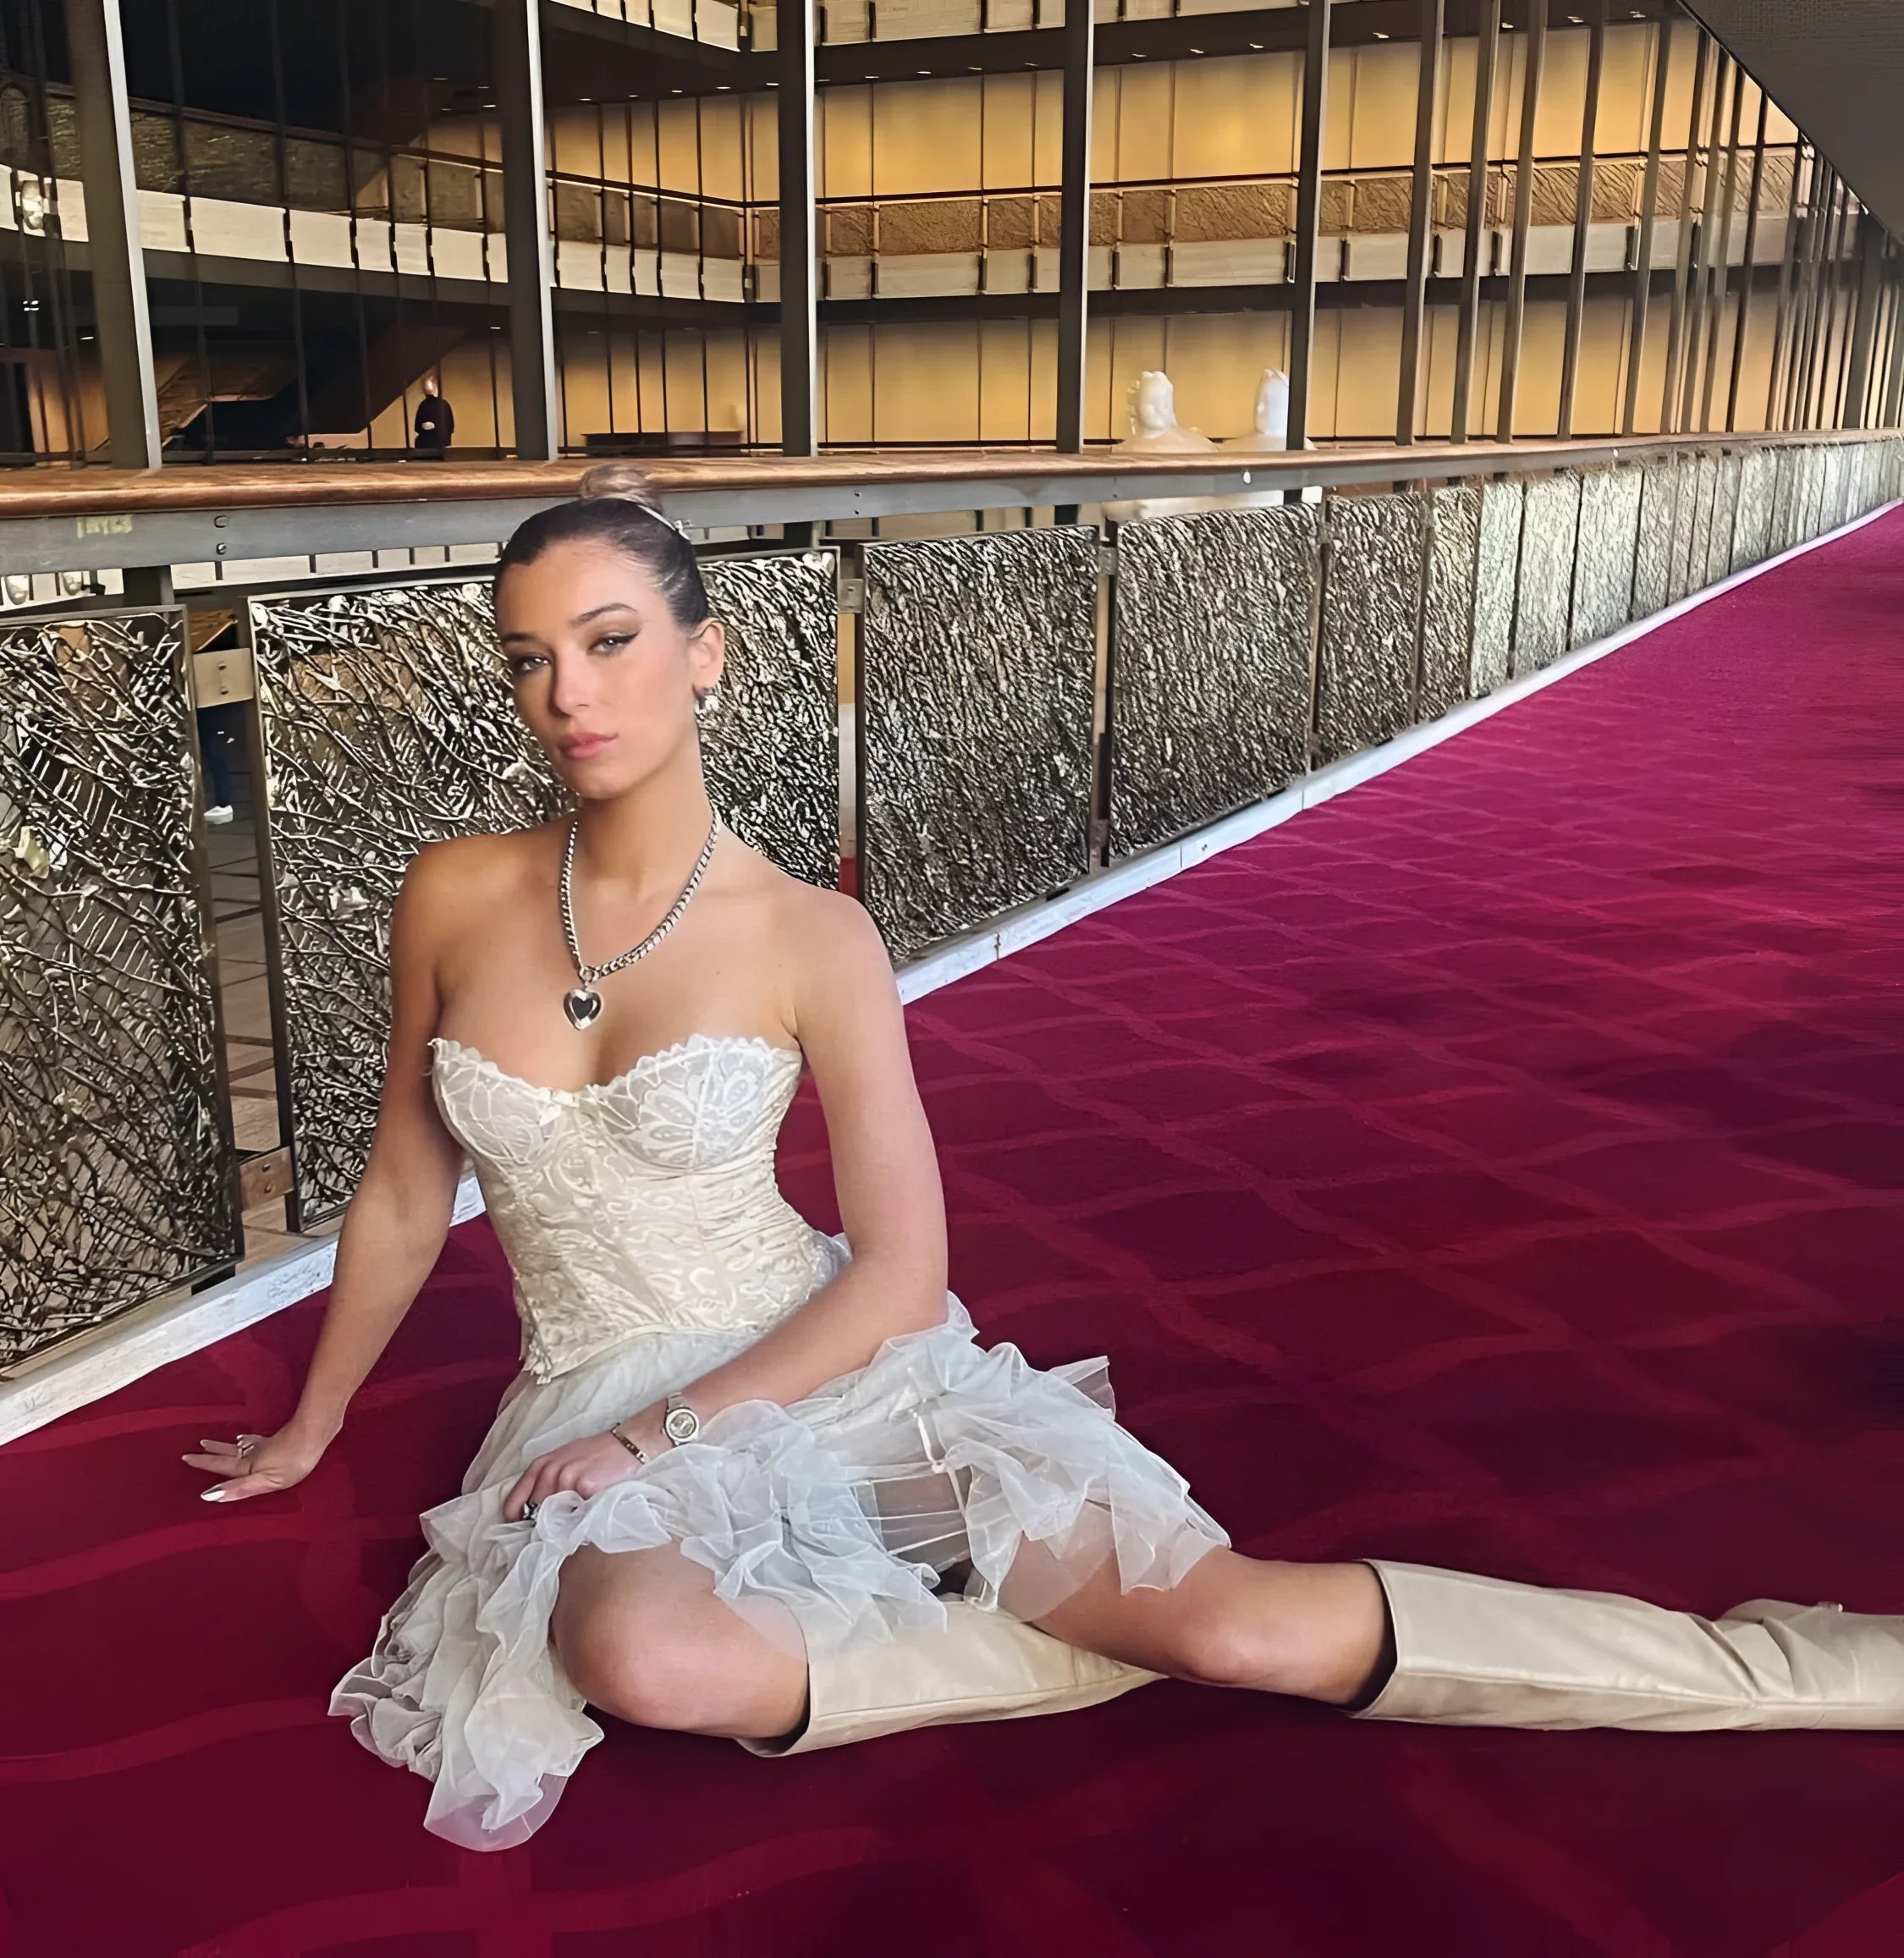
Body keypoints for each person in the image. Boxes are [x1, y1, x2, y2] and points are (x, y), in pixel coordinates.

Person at [182, 466, 1904, 1852]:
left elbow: (901, 1271)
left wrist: (671, 1426)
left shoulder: (815, 933)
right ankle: (1080, 1615)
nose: (571, 692)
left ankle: (1782, 1663)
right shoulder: (455, 888)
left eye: (614, 639)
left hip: (840, 1378)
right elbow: (410, 1184)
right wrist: (316, 1420)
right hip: (593, 1395)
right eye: (532, 654)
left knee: (1239, 1626)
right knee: (641, 1652)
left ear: (706, 654)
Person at [412, 376, 453, 459]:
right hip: (441, 441)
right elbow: (451, 426)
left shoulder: (423, 405)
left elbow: (417, 427)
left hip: (427, 442)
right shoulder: (443, 404)